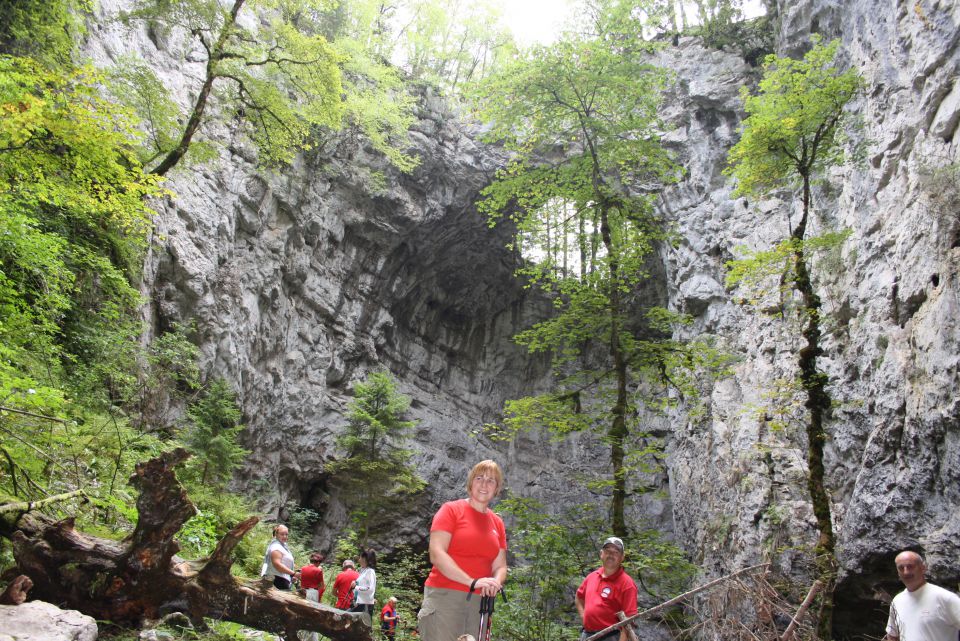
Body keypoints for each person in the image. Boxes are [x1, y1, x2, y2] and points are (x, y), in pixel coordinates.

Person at [417, 460, 508, 641]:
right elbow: (436, 553)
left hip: (480, 603)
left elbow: (500, 565)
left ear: (496, 488)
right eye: (479, 478)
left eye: (491, 480)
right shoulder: (451, 510)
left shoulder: (497, 523)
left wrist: (495, 582)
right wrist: (471, 582)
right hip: (445, 596)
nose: (484, 484)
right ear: (470, 483)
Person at [884, 550, 960, 641]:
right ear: (898, 573)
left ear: (923, 568)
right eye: (901, 568)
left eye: (910, 566)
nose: (906, 572)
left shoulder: (944, 598)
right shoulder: (897, 601)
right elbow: (892, 635)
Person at [575, 536, 638, 641]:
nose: (611, 555)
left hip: (611, 636)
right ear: (601, 554)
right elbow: (578, 597)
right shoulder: (592, 577)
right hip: (587, 634)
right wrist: (584, 617)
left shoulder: (627, 584)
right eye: (607, 551)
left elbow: (629, 620)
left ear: (622, 557)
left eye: (616, 552)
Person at [263, 525, 299, 590]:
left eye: (286, 534)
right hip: (276, 580)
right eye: (282, 534)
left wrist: (291, 576)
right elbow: (277, 564)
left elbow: (284, 563)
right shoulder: (276, 547)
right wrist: (293, 574)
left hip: (281, 580)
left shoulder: (283, 546)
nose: (285, 536)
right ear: (276, 534)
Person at [299, 552, 325, 641]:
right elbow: (321, 586)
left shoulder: (303, 568)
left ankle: (301, 636)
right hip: (313, 593)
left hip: (302, 592)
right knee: (312, 615)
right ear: (318, 563)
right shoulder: (318, 570)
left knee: (302, 614)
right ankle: (312, 638)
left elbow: (300, 579)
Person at [350, 548, 378, 620]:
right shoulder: (364, 571)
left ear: (364, 559)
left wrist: (356, 587)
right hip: (360, 604)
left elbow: (370, 589)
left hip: (365, 605)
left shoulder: (370, 572)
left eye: (360, 557)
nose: (359, 560)